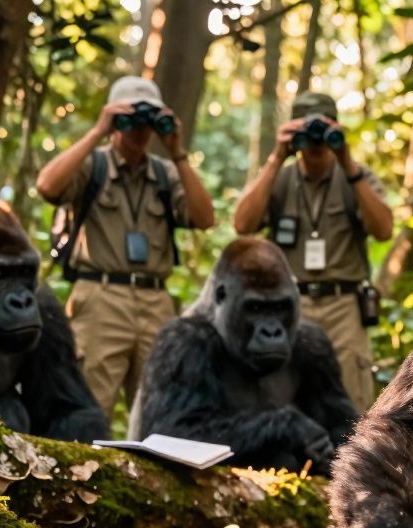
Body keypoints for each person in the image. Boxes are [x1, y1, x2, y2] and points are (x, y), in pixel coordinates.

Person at [35, 76, 215, 420]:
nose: (140, 128)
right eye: (129, 116)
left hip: (154, 301)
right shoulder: (93, 166)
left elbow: (204, 218)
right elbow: (47, 186)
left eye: (148, 118)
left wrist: (178, 152)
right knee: (88, 406)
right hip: (101, 297)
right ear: (113, 118)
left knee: (159, 411)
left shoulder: (165, 174)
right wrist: (96, 132)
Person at [234, 91, 393, 411]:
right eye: (307, 130)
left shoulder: (355, 176)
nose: (316, 140)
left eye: (324, 128)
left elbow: (383, 230)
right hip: (289, 306)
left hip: (344, 306)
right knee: (282, 396)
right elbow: (243, 223)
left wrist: (348, 163)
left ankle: (349, 463)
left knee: (350, 400)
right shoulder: (280, 179)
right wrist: (276, 157)